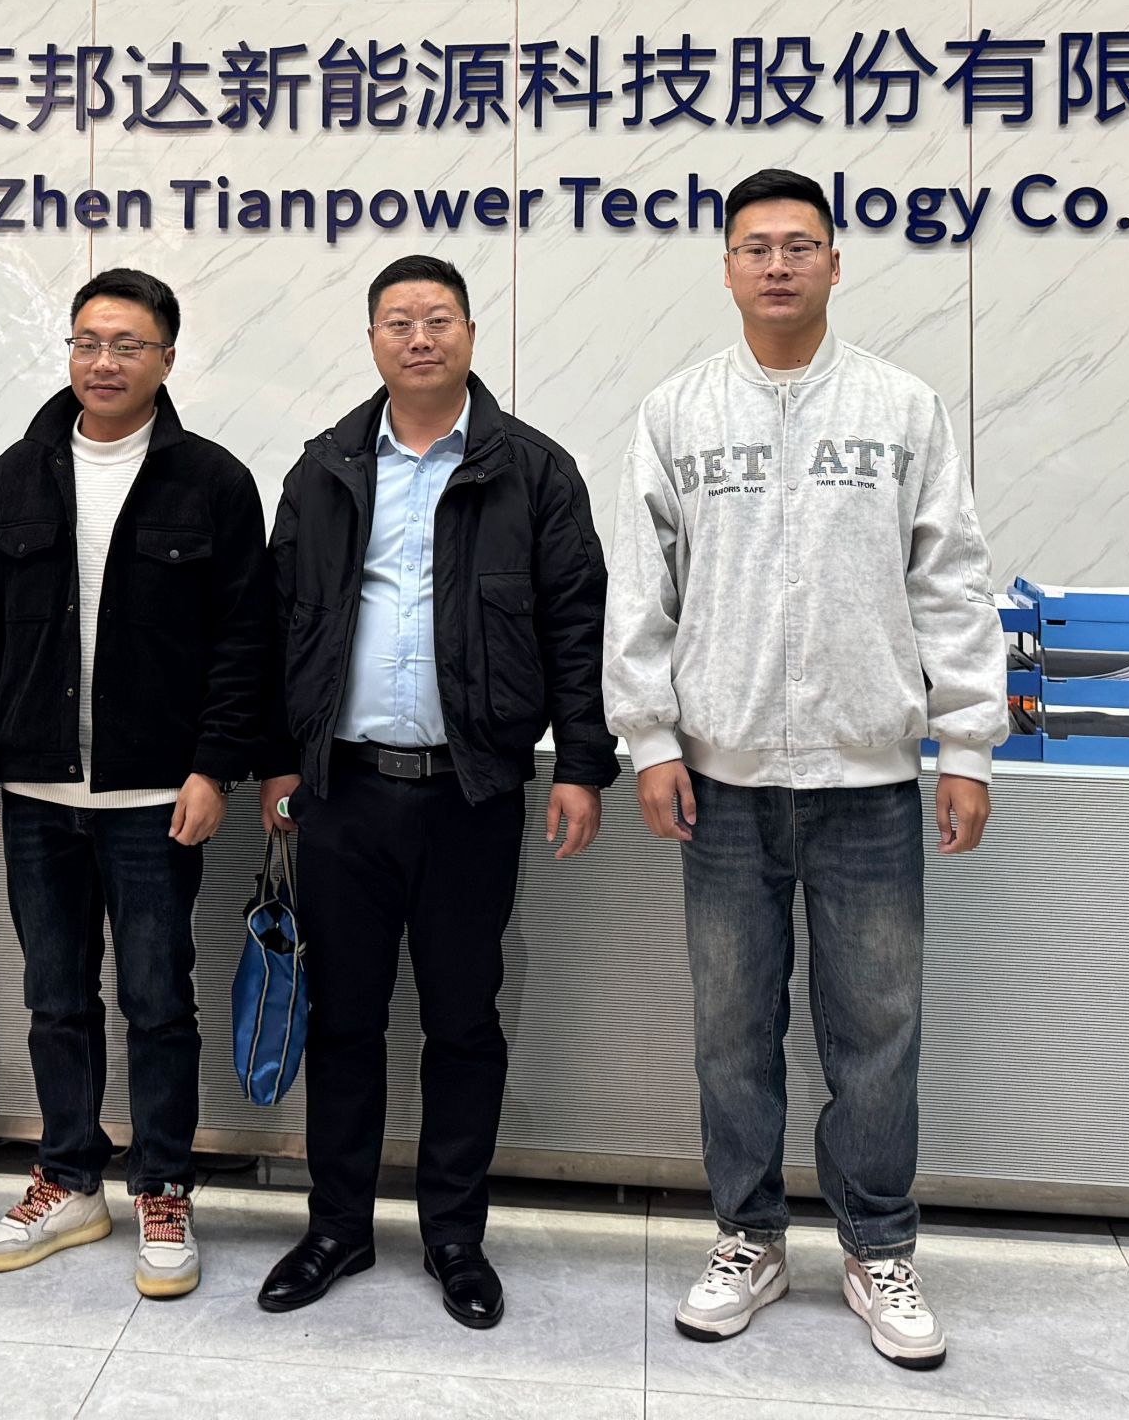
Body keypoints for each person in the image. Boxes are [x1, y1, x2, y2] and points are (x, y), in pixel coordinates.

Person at [603, 167, 1004, 1369]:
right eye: (755, 247)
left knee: (878, 1028)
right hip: (721, 781)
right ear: (727, 268)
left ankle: (880, 1249)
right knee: (731, 1029)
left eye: (799, 245)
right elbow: (642, 592)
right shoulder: (677, 412)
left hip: (868, 781)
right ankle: (749, 1237)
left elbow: (952, 578)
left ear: (836, 262)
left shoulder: (901, 408)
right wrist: (651, 739)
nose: (777, 265)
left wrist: (967, 745)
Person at [253, 253, 613, 1331]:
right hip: (344, 791)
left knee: (462, 1023)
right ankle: (337, 1228)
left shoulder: (533, 470)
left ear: (469, 334)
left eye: (439, 318)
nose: (420, 337)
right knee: (343, 1023)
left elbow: (577, 625)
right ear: (372, 340)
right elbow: (279, 621)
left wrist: (582, 763)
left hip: (471, 794)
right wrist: (280, 760)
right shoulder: (323, 470)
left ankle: (455, 1235)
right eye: (399, 321)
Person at [0, 268, 276, 1301]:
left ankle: (162, 1187)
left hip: (154, 800)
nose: (104, 361)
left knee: (157, 1001)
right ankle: (69, 1180)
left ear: (167, 358)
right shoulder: (16, 477)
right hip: (37, 794)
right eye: (88, 341)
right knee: (53, 997)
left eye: (128, 344)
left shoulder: (212, 482)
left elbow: (243, 644)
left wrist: (215, 766)